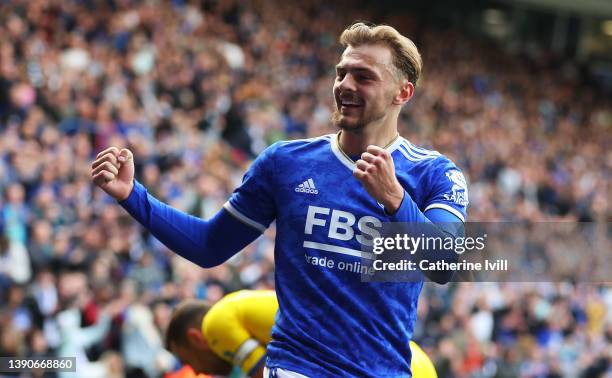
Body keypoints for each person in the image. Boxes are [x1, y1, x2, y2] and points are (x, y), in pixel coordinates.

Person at [92, 22, 468, 377]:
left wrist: (395, 199)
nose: (345, 85)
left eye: (364, 76)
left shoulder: (435, 174)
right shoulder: (285, 162)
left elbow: (444, 263)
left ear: (403, 92)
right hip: (296, 366)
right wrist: (134, 196)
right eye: (341, 73)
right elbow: (209, 246)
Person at [165, 290, 438, 378]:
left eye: (189, 360)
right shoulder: (242, 308)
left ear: (196, 339)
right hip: (415, 361)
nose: (198, 372)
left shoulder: (216, 324)